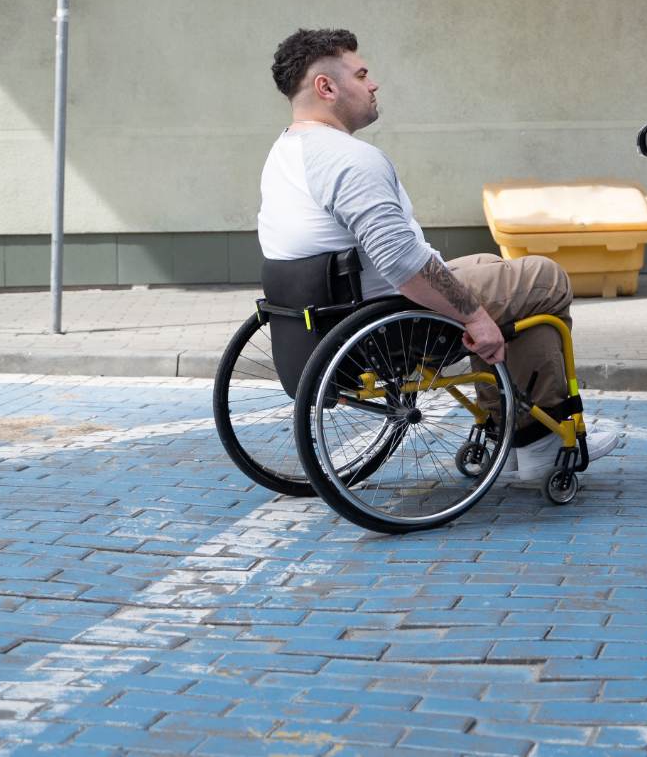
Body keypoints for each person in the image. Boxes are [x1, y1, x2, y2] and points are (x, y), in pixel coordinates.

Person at [257, 27, 619, 479]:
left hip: (334, 313)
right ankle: (537, 439)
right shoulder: (348, 160)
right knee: (544, 279)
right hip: (390, 321)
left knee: (491, 266)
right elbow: (402, 263)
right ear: (325, 87)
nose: (374, 84)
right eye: (361, 74)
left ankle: (506, 427)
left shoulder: (285, 153)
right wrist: (473, 316)